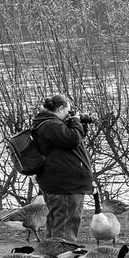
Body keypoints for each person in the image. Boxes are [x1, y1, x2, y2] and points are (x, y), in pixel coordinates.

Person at [30, 94, 93, 242]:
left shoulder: (47, 124)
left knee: (56, 224)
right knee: (65, 226)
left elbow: (74, 140)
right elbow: (71, 138)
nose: (69, 115)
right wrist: (76, 121)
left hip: (61, 183)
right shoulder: (50, 125)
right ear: (60, 108)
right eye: (67, 111)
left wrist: (78, 124)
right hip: (65, 186)